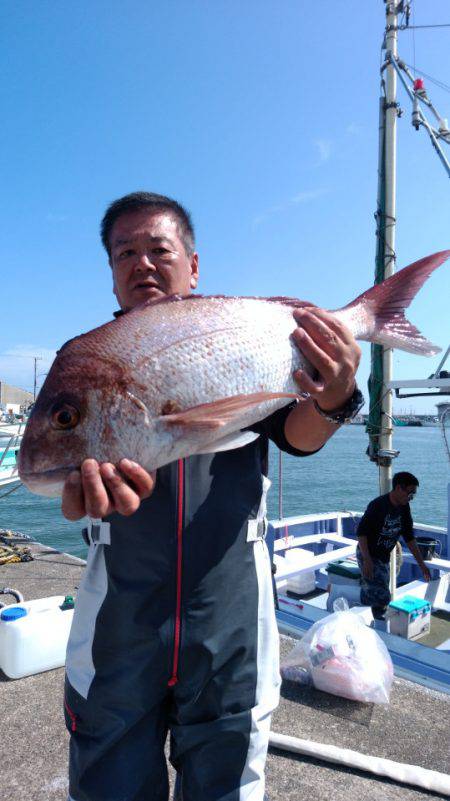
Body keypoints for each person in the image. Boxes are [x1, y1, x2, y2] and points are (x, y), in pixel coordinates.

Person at [61, 191, 362, 801]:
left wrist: (336, 397)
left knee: (225, 783)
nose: (142, 263)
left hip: (231, 619)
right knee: (108, 782)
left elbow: (297, 436)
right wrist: (74, 499)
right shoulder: (88, 361)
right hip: (119, 620)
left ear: (193, 266)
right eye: (125, 253)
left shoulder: (239, 339)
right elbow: (62, 485)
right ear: (111, 272)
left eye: (159, 249)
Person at [357, 471, 431, 621]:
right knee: (382, 596)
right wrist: (367, 560)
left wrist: (422, 565)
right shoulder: (378, 505)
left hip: (383, 556)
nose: (411, 498)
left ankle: (376, 616)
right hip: (369, 553)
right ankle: (380, 623)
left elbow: (409, 538)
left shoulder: (404, 508)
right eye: (410, 493)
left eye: (413, 495)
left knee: (379, 590)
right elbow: (361, 533)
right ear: (398, 488)